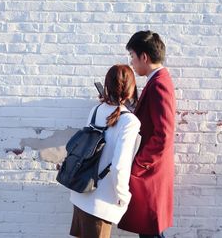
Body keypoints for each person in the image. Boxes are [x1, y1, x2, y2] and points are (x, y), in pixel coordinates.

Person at [69, 64, 141, 238]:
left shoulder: (96, 111)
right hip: (100, 203)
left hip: (81, 194)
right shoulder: (130, 121)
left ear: (107, 85)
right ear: (131, 89)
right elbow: (119, 166)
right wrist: (124, 197)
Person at [118, 31, 176, 238]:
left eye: (132, 56)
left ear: (144, 57)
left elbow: (164, 135)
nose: (132, 63)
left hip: (150, 172)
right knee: (149, 231)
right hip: (151, 171)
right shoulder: (156, 80)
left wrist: (139, 164)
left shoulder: (159, 84)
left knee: (150, 232)